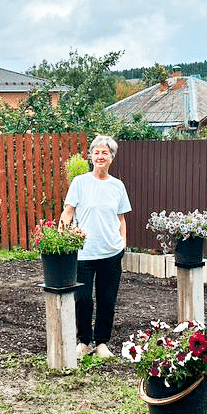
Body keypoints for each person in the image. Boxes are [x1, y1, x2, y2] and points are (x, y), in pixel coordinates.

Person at [61, 135, 131, 358]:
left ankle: (102, 343)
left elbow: (121, 219)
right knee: (83, 299)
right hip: (84, 253)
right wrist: (65, 237)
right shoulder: (80, 183)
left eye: (105, 153)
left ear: (112, 157)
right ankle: (84, 342)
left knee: (107, 300)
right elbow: (68, 212)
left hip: (111, 252)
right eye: (96, 152)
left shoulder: (117, 186)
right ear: (90, 156)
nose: (100, 156)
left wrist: (123, 245)